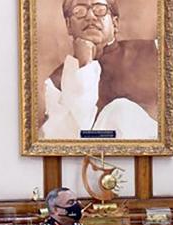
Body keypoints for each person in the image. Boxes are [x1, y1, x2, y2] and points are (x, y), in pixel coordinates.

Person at [40, 0, 158, 139]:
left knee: (121, 110)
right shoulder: (55, 83)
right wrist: (84, 65)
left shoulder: (155, 51)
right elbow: (68, 138)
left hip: (151, 155)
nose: (90, 16)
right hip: (91, 159)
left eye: (99, 9)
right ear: (69, 26)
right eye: (79, 11)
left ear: (115, 23)